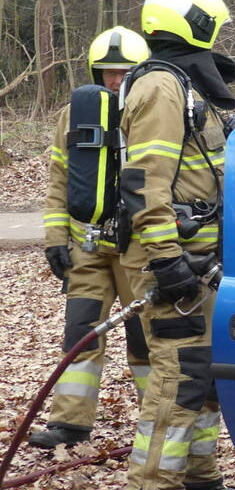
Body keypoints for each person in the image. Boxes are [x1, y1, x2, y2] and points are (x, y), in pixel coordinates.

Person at [118, 0, 235, 490]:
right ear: (195, 23)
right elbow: (145, 182)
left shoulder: (186, 88)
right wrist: (167, 261)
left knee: (204, 375)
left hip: (205, 264)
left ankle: (198, 474)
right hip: (178, 266)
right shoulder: (161, 88)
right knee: (177, 378)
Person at [30, 27, 153, 450]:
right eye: (108, 73)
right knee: (79, 333)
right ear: (94, 73)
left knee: (144, 339)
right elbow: (58, 180)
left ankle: (154, 421)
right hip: (86, 248)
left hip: (137, 249)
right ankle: (70, 423)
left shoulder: (151, 112)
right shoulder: (72, 115)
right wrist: (54, 239)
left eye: (124, 74)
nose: (115, 82)